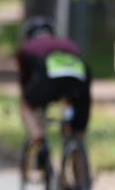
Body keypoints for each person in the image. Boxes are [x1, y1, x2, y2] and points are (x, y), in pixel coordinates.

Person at [16, 16, 91, 165]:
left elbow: (26, 82)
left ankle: (38, 137)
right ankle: (83, 182)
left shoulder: (27, 48)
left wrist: (34, 101)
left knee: (25, 105)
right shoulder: (68, 44)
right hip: (81, 78)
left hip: (49, 79)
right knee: (77, 134)